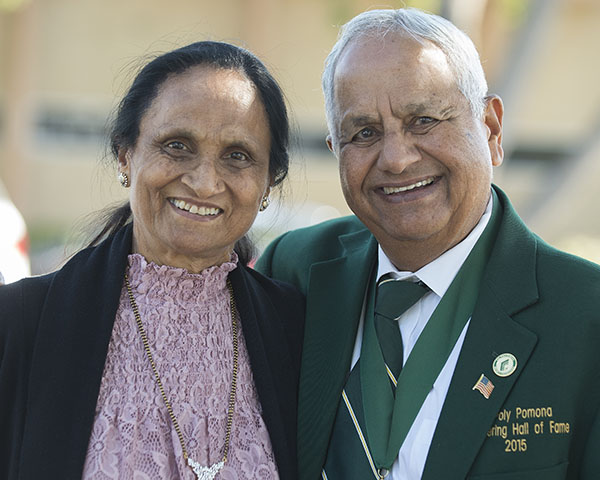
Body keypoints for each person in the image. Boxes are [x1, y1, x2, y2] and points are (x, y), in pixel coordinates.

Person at [256, 8, 600, 480]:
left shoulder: (587, 316)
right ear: (338, 152)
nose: (396, 159)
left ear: (492, 129)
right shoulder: (295, 271)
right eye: (364, 133)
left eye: (424, 120)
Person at [0, 41, 304, 480]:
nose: (203, 182)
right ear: (126, 155)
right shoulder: (19, 323)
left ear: (268, 184)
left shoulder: (297, 331)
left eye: (237, 156)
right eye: (177, 145)